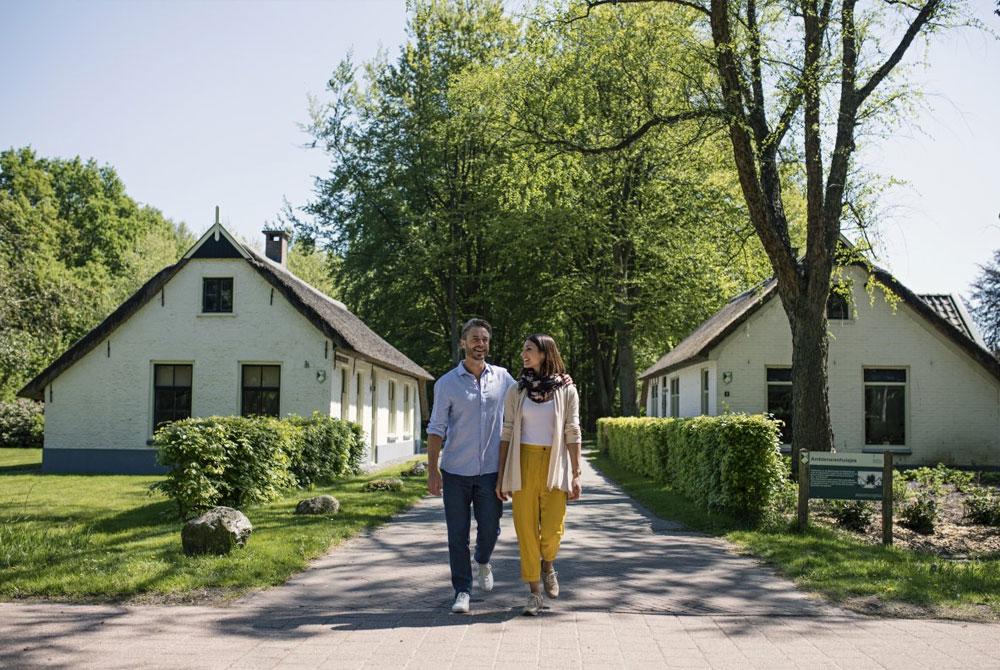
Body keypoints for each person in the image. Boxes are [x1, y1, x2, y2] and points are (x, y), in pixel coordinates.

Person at [427, 318, 517, 614]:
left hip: (491, 472)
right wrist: (432, 469)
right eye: (475, 339)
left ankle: (482, 560)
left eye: (485, 339)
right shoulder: (446, 384)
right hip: (455, 472)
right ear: (463, 344)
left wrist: (560, 380)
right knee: (457, 534)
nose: (481, 344)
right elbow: (436, 428)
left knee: (491, 529)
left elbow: (529, 397)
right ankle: (462, 591)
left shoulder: (504, 379)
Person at [496, 333, 582, 616]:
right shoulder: (517, 391)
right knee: (526, 531)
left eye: (530, 350)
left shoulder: (567, 390)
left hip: (554, 463)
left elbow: (573, 431)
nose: (524, 354)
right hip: (523, 463)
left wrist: (577, 473)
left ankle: (548, 565)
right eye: (523, 349)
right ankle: (534, 594)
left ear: (545, 353)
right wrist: (501, 475)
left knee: (552, 532)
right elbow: (507, 432)